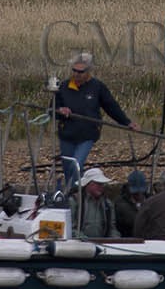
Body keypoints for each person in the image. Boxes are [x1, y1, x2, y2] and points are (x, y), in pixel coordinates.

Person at [54, 51, 135, 191]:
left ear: (88, 71)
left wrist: (126, 122)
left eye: (81, 71)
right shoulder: (64, 86)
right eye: (74, 70)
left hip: (87, 134)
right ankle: (69, 195)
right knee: (67, 167)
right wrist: (60, 110)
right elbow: (53, 108)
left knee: (76, 164)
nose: (77, 74)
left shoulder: (97, 87)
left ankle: (77, 195)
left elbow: (111, 106)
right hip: (67, 134)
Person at [70, 168, 120, 239]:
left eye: (102, 184)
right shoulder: (74, 201)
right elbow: (70, 227)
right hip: (79, 245)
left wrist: (116, 239)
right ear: (88, 184)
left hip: (102, 245)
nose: (101, 187)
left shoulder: (107, 204)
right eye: (98, 184)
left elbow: (112, 227)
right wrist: (83, 239)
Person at [114, 169, 148, 238]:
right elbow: (133, 221)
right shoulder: (121, 203)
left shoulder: (149, 199)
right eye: (136, 193)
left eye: (141, 192)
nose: (139, 195)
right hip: (128, 239)